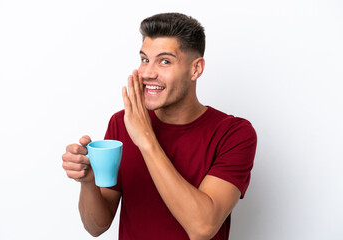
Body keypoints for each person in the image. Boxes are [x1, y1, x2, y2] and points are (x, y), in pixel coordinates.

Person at [62, 12, 257, 240]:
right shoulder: (122, 123)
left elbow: (202, 227)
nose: (147, 73)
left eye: (164, 61)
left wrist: (146, 139)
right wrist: (87, 181)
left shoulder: (234, 133)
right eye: (145, 59)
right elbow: (97, 226)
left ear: (196, 69)